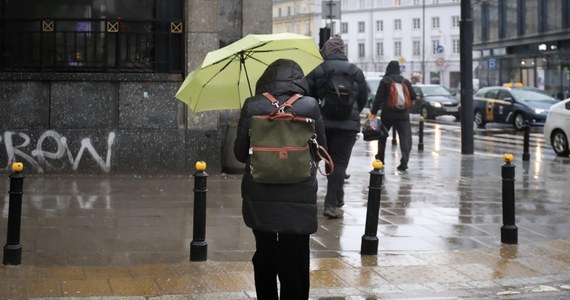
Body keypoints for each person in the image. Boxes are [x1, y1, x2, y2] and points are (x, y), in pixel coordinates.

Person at [233, 58, 326, 299]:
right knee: (296, 256)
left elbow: (240, 154)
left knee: (264, 253)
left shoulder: (252, 105)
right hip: (300, 195)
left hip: (260, 195)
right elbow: (322, 150)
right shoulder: (310, 105)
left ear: (266, 79)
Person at [306, 36, 368, 219]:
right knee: (339, 165)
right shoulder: (355, 71)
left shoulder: (318, 69)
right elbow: (363, 97)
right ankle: (332, 204)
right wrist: (351, 112)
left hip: (321, 123)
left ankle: (308, 200)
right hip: (347, 126)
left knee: (314, 160)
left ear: (326, 50)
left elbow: (308, 96)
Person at [369, 60, 416, 171]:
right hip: (403, 115)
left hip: (388, 113)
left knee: (382, 136)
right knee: (405, 138)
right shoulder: (405, 81)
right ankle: (404, 160)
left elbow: (378, 99)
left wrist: (373, 113)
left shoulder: (385, 81)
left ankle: (380, 159)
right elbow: (413, 96)